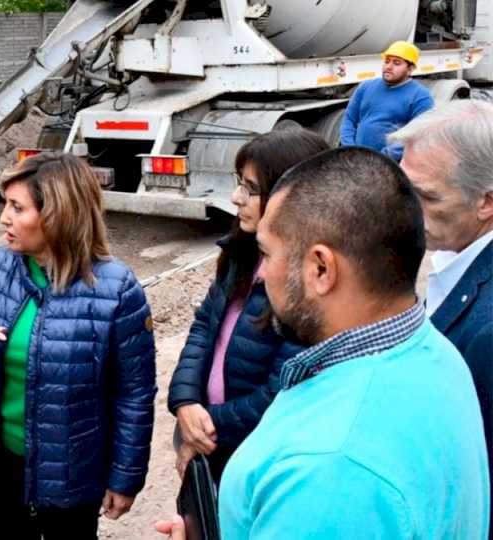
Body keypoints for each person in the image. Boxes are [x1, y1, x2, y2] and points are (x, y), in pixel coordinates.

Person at [218, 147, 489, 538]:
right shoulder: (436, 353)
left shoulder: (330, 467)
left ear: (321, 269)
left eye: (267, 252)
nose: (262, 271)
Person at [0, 153, 157, 540]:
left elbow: (134, 393)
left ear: (58, 214)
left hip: (73, 472)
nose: (4, 217)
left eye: (17, 207)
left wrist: (125, 477)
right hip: (2, 466)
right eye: (5, 204)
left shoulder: (116, 289)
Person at [168, 128, 329, 484]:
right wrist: (185, 401)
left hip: (256, 457)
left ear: (291, 196)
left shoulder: (310, 283)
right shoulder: (241, 251)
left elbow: (282, 391)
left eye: (251, 188)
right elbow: (203, 328)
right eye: (239, 182)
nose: (236, 197)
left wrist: (206, 427)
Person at [389, 99, 493, 536]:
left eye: (428, 197)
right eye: (405, 190)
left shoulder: (488, 330)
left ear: (486, 202)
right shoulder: (453, 255)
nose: (408, 211)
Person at [340, 41, 434, 161]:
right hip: (358, 160)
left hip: (392, 165)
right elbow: (349, 119)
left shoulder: (420, 96)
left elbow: (416, 135)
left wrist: (384, 158)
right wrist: (350, 149)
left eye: (397, 63)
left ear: (410, 69)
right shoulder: (365, 87)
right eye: (387, 61)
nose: (389, 66)